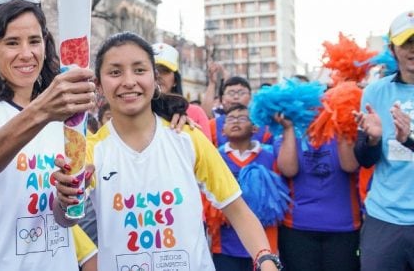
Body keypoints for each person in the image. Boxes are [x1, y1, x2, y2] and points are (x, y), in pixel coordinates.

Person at [53, 32, 281, 271]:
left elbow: (237, 210)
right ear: (98, 84)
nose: (129, 81)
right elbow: (66, 218)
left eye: (139, 70)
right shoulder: (90, 149)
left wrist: (265, 259)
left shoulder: (188, 138)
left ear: (155, 79)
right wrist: (67, 199)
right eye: (115, 72)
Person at [0, 0, 99, 269]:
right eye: (12, 43)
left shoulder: (70, 119)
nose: (26, 54)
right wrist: (42, 111)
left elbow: (68, 219)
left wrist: (67, 201)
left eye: (34, 41)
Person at [354, 9, 414, 270]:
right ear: (393, 49)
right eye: (407, 42)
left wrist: (409, 140)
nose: (413, 49)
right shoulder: (375, 91)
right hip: (385, 217)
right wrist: (372, 140)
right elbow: (365, 160)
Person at [274, 110, 361, 271]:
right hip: (298, 227)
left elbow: (350, 166)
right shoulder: (288, 137)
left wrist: (341, 125)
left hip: (343, 227)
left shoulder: (343, 134)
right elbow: (288, 170)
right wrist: (288, 129)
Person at [210, 104, 279, 271]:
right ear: (223, 130)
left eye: (242, 118)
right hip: (225, 245)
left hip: (264, 246)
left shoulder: (270, 156)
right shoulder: (214, 157)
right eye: (230, 119)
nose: (236, 122)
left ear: (255, 128)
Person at [153, 42, 213, 138]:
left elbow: (205, 150)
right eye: (154, 70)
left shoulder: (196, 113)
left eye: (165, 71)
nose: (158, 76)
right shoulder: (137, 111)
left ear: (175, 80)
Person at [209, 76, 272, 147]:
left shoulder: (266, 125)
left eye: (241, 93)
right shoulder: (213, 125)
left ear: (250, 97)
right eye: (231, 93)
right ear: (223, 98)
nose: (236, 97)